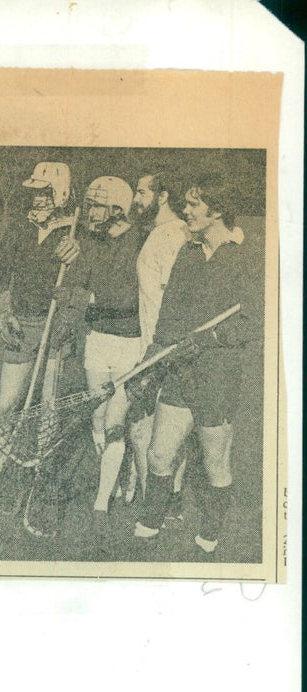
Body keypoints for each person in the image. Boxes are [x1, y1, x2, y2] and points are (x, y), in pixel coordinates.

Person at [133, 171, 250, 556]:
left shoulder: (244, 257)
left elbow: (257, 320)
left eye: (193, 204)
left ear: (216, 211)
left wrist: (212, 338)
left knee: (216, 461)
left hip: (218, 373)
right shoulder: (187, 252)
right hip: (181, 366)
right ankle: (153, 517)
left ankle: (212, 528)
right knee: (159, 453)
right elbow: (170, 313)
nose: (185, 212)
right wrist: (153, 357)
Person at [60, 175, 142, 543]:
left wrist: (86, 299)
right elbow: (75, 281)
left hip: (128, 340)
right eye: (90, 204)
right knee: (97, 414)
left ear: (118, 209)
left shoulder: (138, 241)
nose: (91, 212)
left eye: (98, 205)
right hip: (96, 339)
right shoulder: (91, 241)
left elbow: (128, 298)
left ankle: (101, 501)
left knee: (115, 419)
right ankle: (113, 470)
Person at [0, 161, 79, 471]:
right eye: (35, 193)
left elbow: (83, 283)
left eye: (45, 193)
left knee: (50, 402)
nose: (38, 199)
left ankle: (43, 463)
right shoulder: (20, 227)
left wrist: (70, 311)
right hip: (21, 323)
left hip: (55, 324)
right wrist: (5, 313)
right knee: (8, 400)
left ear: (61, 193)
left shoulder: (75, 231)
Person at [130, 169, 190, 505]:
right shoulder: (161, 233)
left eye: (141, 192)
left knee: (146, 430)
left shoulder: (170, 236)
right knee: (159, 432)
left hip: (161, 350)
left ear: (162, 196)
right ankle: (165, 503)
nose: (136, 200)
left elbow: (175, 297)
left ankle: (155, 505)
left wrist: (157, 352)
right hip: (155, 347)